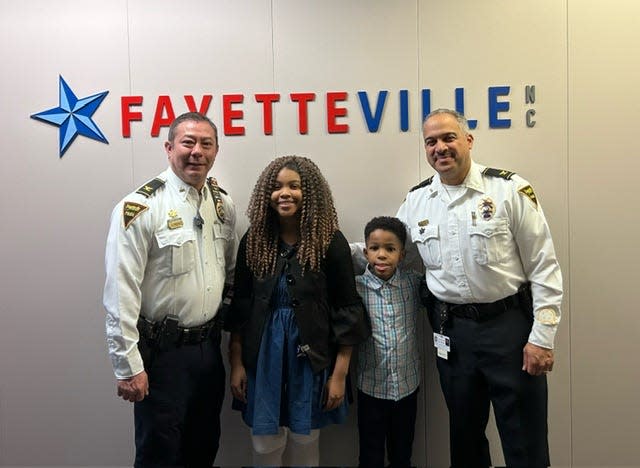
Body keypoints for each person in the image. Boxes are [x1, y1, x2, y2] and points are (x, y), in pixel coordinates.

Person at [397, 108, 563, 467]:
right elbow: (389, 251)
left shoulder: (509, 189)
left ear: (468, 140)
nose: (440, 147)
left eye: (448, 138)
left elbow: (544, 266)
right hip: (452, 333)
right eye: (431, 141)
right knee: (465, 439)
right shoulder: (416, 201)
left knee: (524, 440)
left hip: (510, 330)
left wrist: (542, 337)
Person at [103, 112, 238, 467]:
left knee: (204, 446)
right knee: (159, 454)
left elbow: (231, 272)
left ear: (216, 151)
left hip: (209, 352)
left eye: (205, 144)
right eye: (187, 142)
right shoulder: (141, 208)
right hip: (162, 356)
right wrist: (127, 365)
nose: (197, 152)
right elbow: (121, 291)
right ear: (169, 148)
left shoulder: (222, 206)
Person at [226, 155, 370, 467]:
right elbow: (241, 308)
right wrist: (236, 362)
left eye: (295, 186)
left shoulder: (330, 242)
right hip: (262, 357)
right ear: (267, 193)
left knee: (306, 439)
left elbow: (347, 310)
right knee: (265, 443)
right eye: (277, 187)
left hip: (313, 359)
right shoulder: (253, 241)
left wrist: (339, 375)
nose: (284, 193)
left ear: (312, 193)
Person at [355, 216, 424, 468]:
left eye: (390, 249)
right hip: (371, 388)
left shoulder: (413, 284)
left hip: (407, 387)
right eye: (375, 248)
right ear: (365, 252)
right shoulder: (356, 288)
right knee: (370, 455)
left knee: (402, 454)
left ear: (402, 254)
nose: (381, 255)